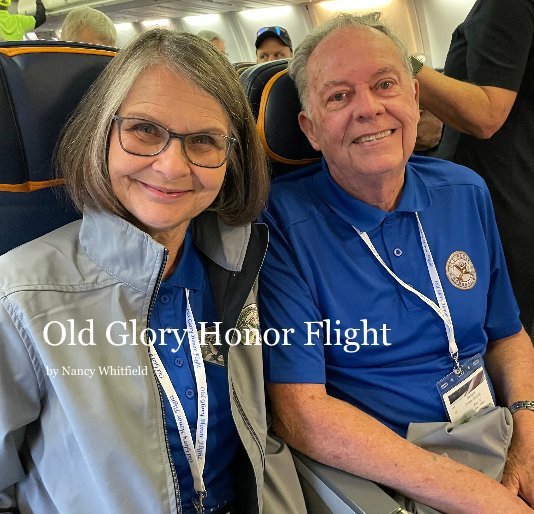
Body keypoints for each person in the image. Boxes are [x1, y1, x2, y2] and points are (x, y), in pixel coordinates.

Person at [0, 29, 306, 514]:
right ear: (101, 132)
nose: (171, 166)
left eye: (204, 140)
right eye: (144, 130)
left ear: (232, 158)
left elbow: (257, 440)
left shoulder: (239, 263)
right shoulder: (20, 297)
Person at [258, 13, 534, 513]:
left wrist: (529, 433)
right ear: (310, 128)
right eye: (338, 96)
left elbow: (508, 335)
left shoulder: (463, 190)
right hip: (381, 466)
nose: (369, 109)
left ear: (413, 96)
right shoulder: (281, 223)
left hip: (491, 431)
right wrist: (483, 499)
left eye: (385, 85)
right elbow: (303, 414)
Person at [415, 0, 534, 335]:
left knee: (497, 334)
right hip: (518, 188)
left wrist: (398, 59)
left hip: (493, 197)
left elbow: (486, 115)